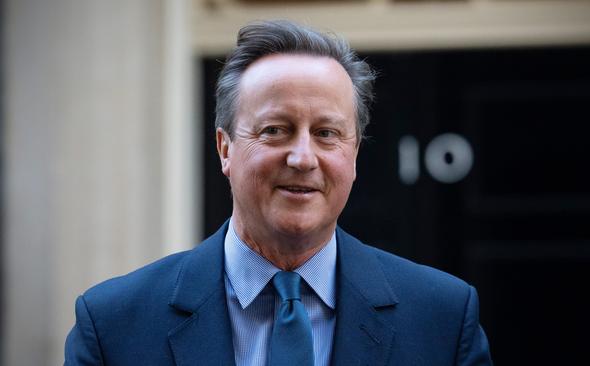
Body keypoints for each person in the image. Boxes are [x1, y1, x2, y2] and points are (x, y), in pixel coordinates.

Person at [65, 20, 493, 366]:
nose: (303, 158)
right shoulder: (113, 325)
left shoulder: (442, 319)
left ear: (355, 154)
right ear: (225, 148)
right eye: (275, 130)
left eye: (327, 133)